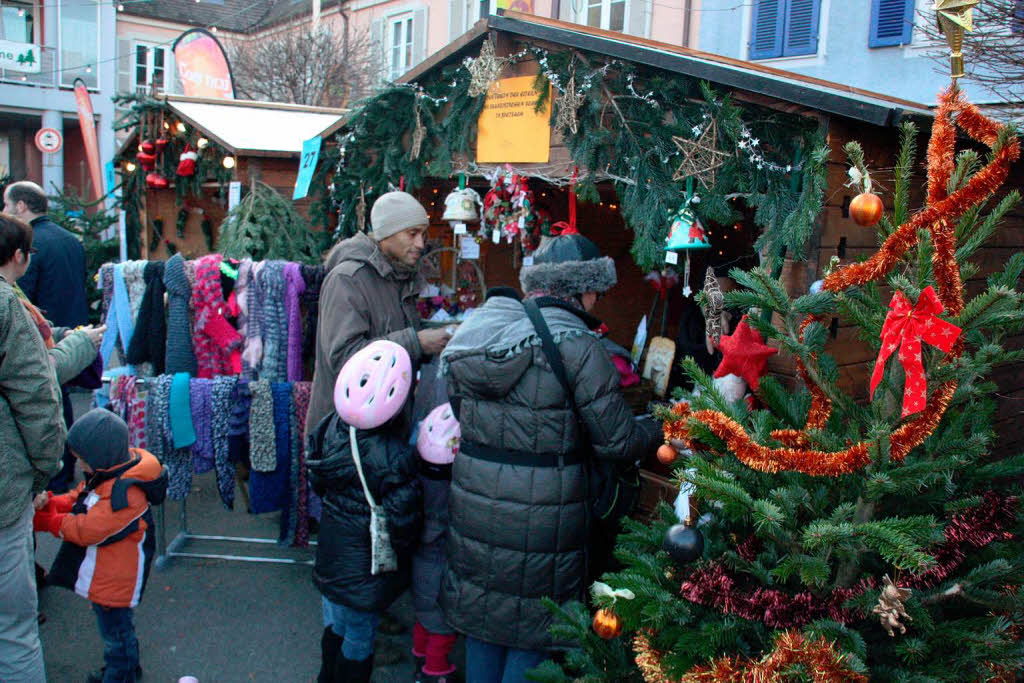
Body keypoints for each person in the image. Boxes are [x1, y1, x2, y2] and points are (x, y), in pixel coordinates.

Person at [440, 230, 662, 683]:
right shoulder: (580, 345)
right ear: (585, 289)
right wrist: (662, 427)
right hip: (545, 515)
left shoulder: (484, 331)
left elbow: (461, 410)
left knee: (486, 617)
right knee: (534, 629)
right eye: (597, 290)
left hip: (475, 503)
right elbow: (617, 442)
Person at [307, 340, 422, 683]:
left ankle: (326, 677)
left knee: (335, 623)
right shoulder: (396, 456)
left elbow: (318, 482)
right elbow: (404, 522)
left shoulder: (329, 429)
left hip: (331, 552)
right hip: (367, 565)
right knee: (360, 634)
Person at [33, 408, 167, 683]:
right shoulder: (112, 474)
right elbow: (80, 497)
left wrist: (49, 522)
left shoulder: (125, 495)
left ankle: (121, 675)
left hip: (116, 580)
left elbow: (87, 530)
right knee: (116, 633)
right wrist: (52, 503)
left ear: (99, 458)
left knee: (117, 635)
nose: (81, 465)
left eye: (82, 459)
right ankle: (124, 669)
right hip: (108, 573)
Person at [306, 191, 454, 438]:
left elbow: (390, 334)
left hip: (384, 433)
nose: (420, 244)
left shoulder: (398, 277)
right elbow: (344, 357)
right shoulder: (348, 279)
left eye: (423, 234)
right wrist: (417, 343)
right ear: (387, 233)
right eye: (412, 233)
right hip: (344, 438)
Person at [0, 211, 66, 682]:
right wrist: (42, 472)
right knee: (14, 632)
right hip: (3, 496)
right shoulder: (7, 307)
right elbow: (36, 398)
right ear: (20, 256)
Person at [4, 180, 89, 493]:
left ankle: (54, 473)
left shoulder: (29, 247)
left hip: (44, 341)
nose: (4, 211)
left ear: (21, 206)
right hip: (71, 332)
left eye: (6, 205)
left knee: (45, 401)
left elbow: (22, 302)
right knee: (59, 401)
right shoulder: (70, 240)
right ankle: (64, 466)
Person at [411, 403, 460, 683]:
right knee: (443, 627)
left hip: (419, 569)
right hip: (443, 575)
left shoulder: (418, 483)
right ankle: (435, 670)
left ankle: (419, 656)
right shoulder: (452, 496)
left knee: (422, 617)